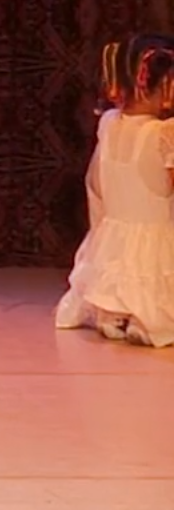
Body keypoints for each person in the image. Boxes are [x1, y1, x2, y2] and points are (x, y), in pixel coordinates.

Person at [57, 35, 174, 347]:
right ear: (164, 85)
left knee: (120, 270)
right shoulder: (164, 133)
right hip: (155, 234)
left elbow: (96, 182)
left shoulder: (109, 123)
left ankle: (114, 313)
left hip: (114, 237)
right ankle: (146, 318)